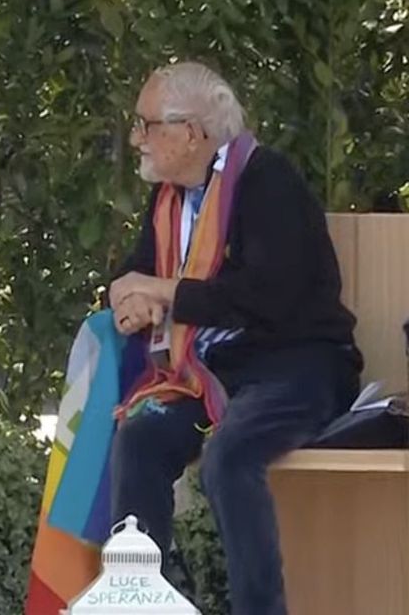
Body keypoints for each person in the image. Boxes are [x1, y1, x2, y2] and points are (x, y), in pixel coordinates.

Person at [102, 61, 358, 614]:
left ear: (192, 132)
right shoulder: (170, 198)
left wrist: (164, 291)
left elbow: (265, 299)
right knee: (139, 440)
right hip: (211, 374)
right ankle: (137, 605)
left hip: (298, 367)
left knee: (229, 456)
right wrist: (132, 302)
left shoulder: (269, 182)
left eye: (148, 125)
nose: (136, 138)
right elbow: (136, 274)